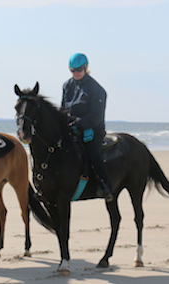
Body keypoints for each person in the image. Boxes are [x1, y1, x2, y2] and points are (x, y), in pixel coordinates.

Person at [61, 53, 114, 202]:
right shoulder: (67, 86)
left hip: (93, 130)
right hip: (72, 129)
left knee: (93, 153)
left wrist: (78, 123)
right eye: (72, 70)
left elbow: (96, 117)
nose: (75, 73)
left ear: (86, 68)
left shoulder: (97, 90)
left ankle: (105, 186)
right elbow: (63, 109)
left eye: (79, 70)